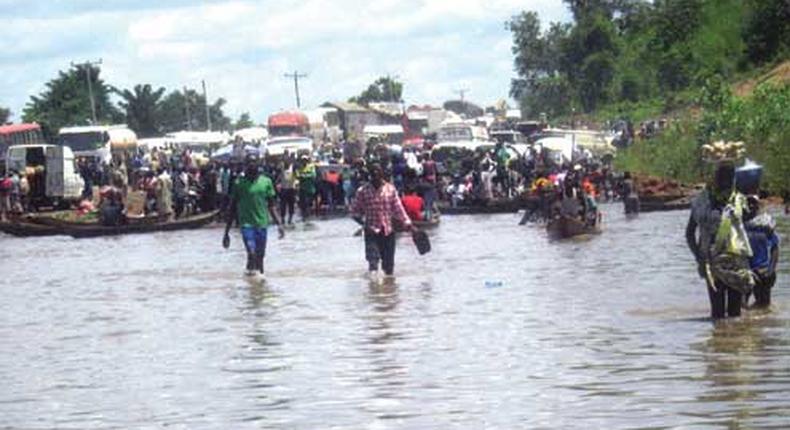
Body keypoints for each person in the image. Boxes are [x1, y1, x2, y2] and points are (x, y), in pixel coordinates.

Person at [686, 163, 753, 320]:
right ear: (714, 178)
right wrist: (699, 256)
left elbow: (747, 231)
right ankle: (720, 341)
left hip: (736, 261)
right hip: (711, 261)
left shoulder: (739, 201)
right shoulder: (701, 202)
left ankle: (731, 342)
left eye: (729, 177)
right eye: (722, 177)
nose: (726, 181)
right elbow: (689, 233)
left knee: (735, 313)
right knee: (717, 312)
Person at [223, 155, 285, 277]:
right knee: (251, 252)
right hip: (246, 224)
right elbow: (232, 208)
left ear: (258, 165)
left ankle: (257, 284)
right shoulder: (239, 183)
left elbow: (272, 206)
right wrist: (226, 232)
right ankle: (253, 278)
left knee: (260, 256)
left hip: (262, 223)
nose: (252, 166)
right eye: (249, 163)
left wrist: (280, 224)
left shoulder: (266, 182)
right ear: (246, 166)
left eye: (254, 163)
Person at [351, 163, 414, 278]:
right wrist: (364, 224)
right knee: (373, 263)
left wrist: (408, 223)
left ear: (382, 174)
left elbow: (398, 209)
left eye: (377, 171)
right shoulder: (362, 191)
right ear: (369, 175)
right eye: (372, 172)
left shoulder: (390, 189)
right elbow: (354, 212)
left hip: (388, 231)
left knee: (388, 268)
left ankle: (389, 292)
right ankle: (373, 291)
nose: (375, 174)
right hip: (371, 232)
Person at [743, 196, 780, 308]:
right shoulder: (738, 226)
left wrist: (771, 269)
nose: (750, 206)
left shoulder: (764, 225)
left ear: (758, 206)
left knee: (764, 307)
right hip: (744, 270)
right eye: (748, 203)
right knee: (741, 305)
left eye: (753, 203)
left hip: (763, 271)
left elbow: (775, 248)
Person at [276, 159, 297, 225]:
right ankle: (283, 219)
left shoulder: (293, 169)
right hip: (284, 189)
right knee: (283, 205)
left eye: (287, 164)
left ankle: (290, 219)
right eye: (285, 164)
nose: (286, 165)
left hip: (291, 189)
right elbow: (278, 177)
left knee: (291, 205)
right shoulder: (282, 170)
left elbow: (296, 177)